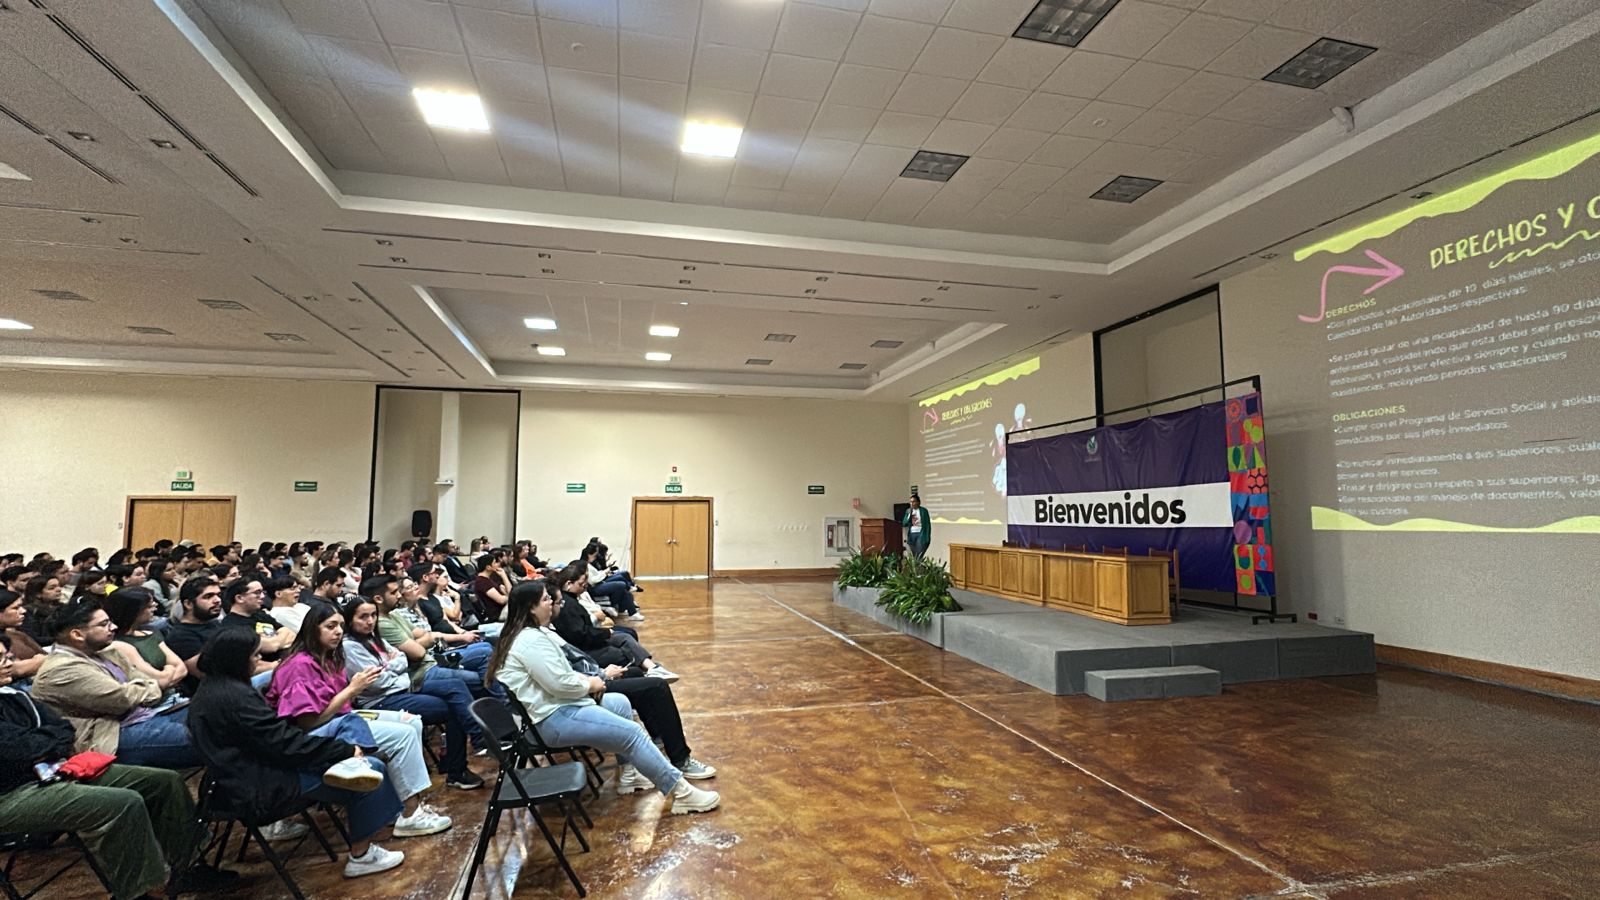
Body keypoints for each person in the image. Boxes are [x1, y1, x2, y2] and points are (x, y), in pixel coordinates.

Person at [0, 633, 234, 898]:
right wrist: (43, 743)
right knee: (123, 803)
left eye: (6, 656)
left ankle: (190, 864)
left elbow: (63, 730)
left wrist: (43, 744)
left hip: (56, 771)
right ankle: (137, 893)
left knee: (162, 782)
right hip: (11, 793)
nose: (8, 663)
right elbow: (16, 749)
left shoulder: (13, 695)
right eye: (0, 659)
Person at [187, 627, 410, 879]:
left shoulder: (216, 688)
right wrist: (342, 750)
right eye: (255, 656)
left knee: (347, 728)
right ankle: (362, 855)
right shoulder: (233, 698)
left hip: (248, 774)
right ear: (236, 658)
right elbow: (283, 745)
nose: (259, 661)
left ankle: (354, 767)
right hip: (261, 785)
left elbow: (274, 741)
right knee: (372, 770)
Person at [488, 579, 719, 814]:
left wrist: (590, 683)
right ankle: (681, 793)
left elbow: (561, 676)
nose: (552, 604)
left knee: (620, 702)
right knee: (632, 733)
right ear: (530, 607)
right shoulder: (530, 641)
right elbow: (561, 684)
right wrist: (592, 683)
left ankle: (629, 774)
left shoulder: (533, 634)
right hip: (550, 720)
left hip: (555, 708)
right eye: (546, 599)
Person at [266, 602, 452, 838]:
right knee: (402, 736)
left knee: (411, 721)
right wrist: (352, 690)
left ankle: (400, 805)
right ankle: (411, 816)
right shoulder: (299, 665)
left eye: (340, 626)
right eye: (330, 626)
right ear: (313, 629)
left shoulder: (328, 655)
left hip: (341, 718)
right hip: (314, 734)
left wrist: (350, 693)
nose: (338, 632)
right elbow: (309, 722)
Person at [31, 600, 203, 769]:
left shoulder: (107, 652)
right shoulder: (62, 669)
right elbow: (123, 700)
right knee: (212, 738)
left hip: (147, 714)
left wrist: (147, 688)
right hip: (111, 735)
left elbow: (143, 684)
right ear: (77, 635)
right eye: (104, 624)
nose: (113, 627)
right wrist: (152, 687)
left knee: (219, 714)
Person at [340, 595, 485, 790]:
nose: (370, 621)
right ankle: (467, 756)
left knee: (455, 686)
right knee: (453, 705)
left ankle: (476, 742)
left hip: (402, 688)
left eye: (373, 615)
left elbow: (402, 660)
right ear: (350, 620)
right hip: (380, 701)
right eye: (363, 617)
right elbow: (378, 682)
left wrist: (390, 666)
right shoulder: (349, 646)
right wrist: (393, 666)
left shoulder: (374, 638)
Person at [555, 564, 677, 681]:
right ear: (569, 584)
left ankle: (652, 668)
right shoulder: (567, 605)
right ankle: (648, 671)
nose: (584, 588)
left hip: (589, 637)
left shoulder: (571, 600)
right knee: (624, 654)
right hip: (584, 647)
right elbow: (580, 634)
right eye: (582, 585)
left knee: (625, 636)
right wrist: (605, 633)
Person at [101, 587, 186, 692]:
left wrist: (166, 677)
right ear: (133, 611)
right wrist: (169, 669)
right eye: (149, 606)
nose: (155, 607)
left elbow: (182, 668)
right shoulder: (118, 644)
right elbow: (160, 680)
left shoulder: (151, 631)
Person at [165, 577, 224, 695]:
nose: (217, 600)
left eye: (218, 595)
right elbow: (206, 673)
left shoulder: (213, 623)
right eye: (208, 596)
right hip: (212, 693)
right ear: (188, 604)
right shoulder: (180, 636)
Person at [0, 591, 46, 685]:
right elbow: (14, 669)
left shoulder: (18, 635)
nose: (23, 611)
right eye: (16, 608)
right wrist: (36, 662)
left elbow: (45, 656)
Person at [902, 493, 931, 559]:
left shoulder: (924, 511)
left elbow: (927, 525)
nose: (912, 503)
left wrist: (927, 537)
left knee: (919, 554)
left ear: (918, 502)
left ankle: (918, 568)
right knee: (914, 555)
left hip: (921, 534)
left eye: (914, 501)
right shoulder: (908, 511)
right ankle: (916, 568)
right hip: (912, 535)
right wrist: (909, 514)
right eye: (911, 502)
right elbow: (904, 523)